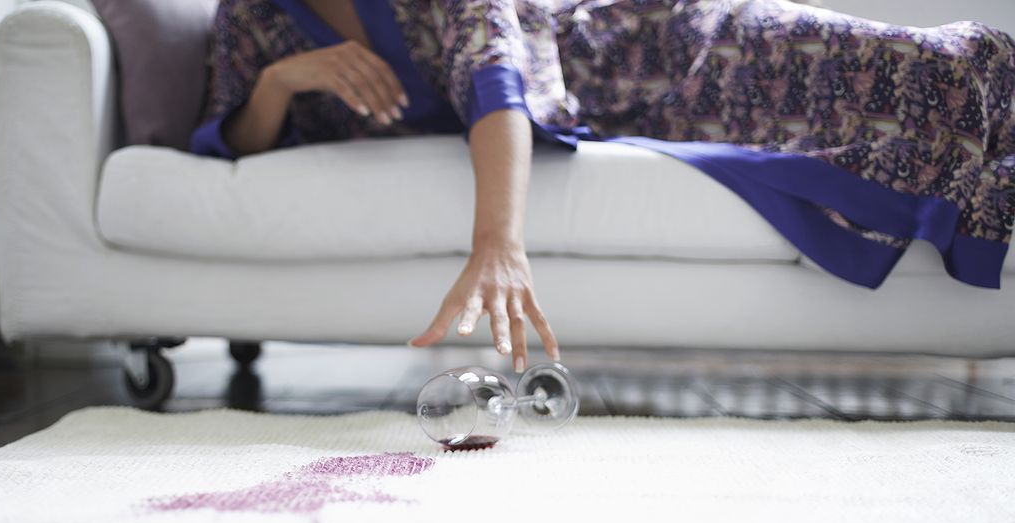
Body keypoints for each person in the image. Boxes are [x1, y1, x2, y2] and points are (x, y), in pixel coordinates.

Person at [190, 0, 1015, 372]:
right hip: (627, 111)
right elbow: (232, 140)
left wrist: (499, 244)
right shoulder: (248, 19)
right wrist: (280, 82)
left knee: (949, 68)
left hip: (652, 45)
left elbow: (497, 79)